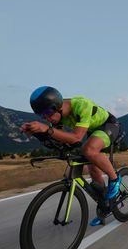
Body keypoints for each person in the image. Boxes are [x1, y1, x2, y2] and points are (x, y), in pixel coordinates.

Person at [20, 86, 121, 226]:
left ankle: (115, 179)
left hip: (108, 125)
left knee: (89, 150)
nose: (46, 118)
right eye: (42, 116)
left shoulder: (81, 105)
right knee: (92, 167)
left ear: (58, 107)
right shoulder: (56, 117)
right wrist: (37, 134)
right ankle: (104, 204)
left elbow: (76, 138)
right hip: (91, 131)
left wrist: (47, 129)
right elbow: (56, 140)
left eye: (48, 113)